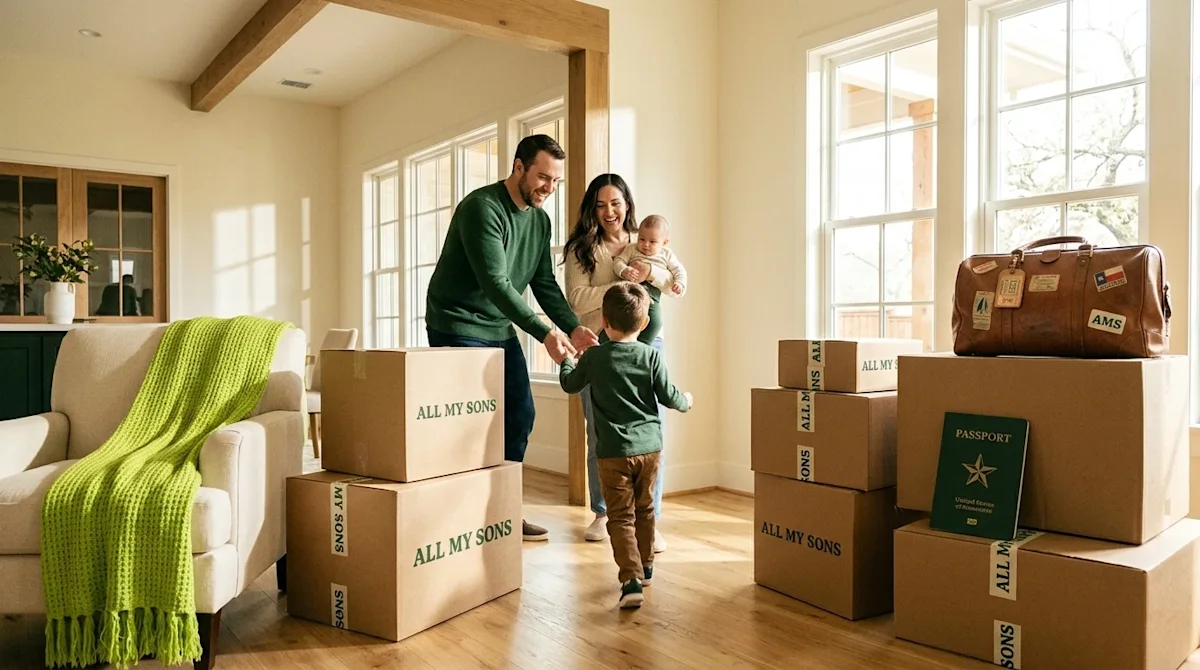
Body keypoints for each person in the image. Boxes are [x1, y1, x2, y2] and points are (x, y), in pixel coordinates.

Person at [425, 134, 599, 542]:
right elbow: (497, 284)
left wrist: (570, 325)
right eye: (542, 177)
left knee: (520, 415)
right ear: (518, 167)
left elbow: (542, 282)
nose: (548, 188)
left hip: (497, 327)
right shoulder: (482, 208)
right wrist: (544, 333)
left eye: (555, 181)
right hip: (457, 323)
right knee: (470, 423)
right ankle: (460, 519)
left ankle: (501, 512)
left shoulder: (539, 220)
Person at [555, 282, 692, 608]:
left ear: (604, 322)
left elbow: (569, 385)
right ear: (644, 324)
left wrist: (565, 360)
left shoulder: (594, 358)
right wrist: (686, 401)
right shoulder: (650, 356)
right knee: (645, 509)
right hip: (650, 450)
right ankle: (646, 567)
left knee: (620, 517)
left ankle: (630, 578)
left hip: (613, 453)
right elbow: (669, 397)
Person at [563, 174, 676, 550]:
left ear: (627, 204)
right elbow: (578, 299)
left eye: (615, 202)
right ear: (592, 209)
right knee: (599, 432)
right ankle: (602, 511)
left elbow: (669, 277)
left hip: (646, 345)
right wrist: (619, 286)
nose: (609, 211)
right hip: (598, 345)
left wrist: (651, 273)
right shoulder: (583, 248)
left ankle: (650, 518)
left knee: (651, 432)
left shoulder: (646, 240)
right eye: (600, 204)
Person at [612, 214, 687, 344]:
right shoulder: (631, 249)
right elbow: (618, 261)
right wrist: (625, 270)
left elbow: (679, 270)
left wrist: (679, 283)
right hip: (631, 294)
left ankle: (642, 346)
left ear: (664, 242)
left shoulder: (666, 254)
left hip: (652, 298)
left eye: (652, 242)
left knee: (655, 322)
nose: (646, 245)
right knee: (618, 319)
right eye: (642, 239)